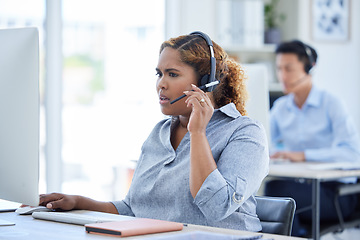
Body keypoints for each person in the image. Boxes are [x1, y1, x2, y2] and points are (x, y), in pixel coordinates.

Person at [39, 32, 269, 232]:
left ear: (206, 82)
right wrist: (80, 202)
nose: (161, 84)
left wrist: (198, 133)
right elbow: (134, 209)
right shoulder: (160, 132)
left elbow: (217, 207)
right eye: (159, 74)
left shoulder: (245, 133)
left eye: (173, 74)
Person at [265, 40, 360, 236]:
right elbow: (269, 146)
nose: (282, 76)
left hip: (337, 193)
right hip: (302, 188)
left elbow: (352, 153)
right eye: (279, 68)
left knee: (278, 191)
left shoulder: (331, 103)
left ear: (309, 68)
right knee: (273, 194)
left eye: (289, 69)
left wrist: (303, 155)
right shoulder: (281, 108)